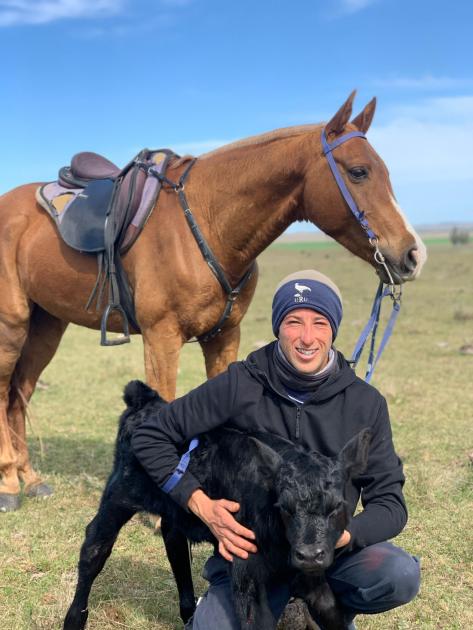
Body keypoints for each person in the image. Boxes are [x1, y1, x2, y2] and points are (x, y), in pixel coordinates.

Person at [131, 270, 420, 629]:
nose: (307, 338)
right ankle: (254, 602)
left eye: (320, 323)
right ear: (277, 327)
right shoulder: (240, 384)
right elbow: (149, 436)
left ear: (334, 329)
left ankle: (326, 605)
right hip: (253, 556)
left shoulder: (365, 404)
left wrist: (341, 536)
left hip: (329, 552)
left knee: (398, 573)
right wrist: (199, 503)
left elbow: (391, 504)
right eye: (294, 322)